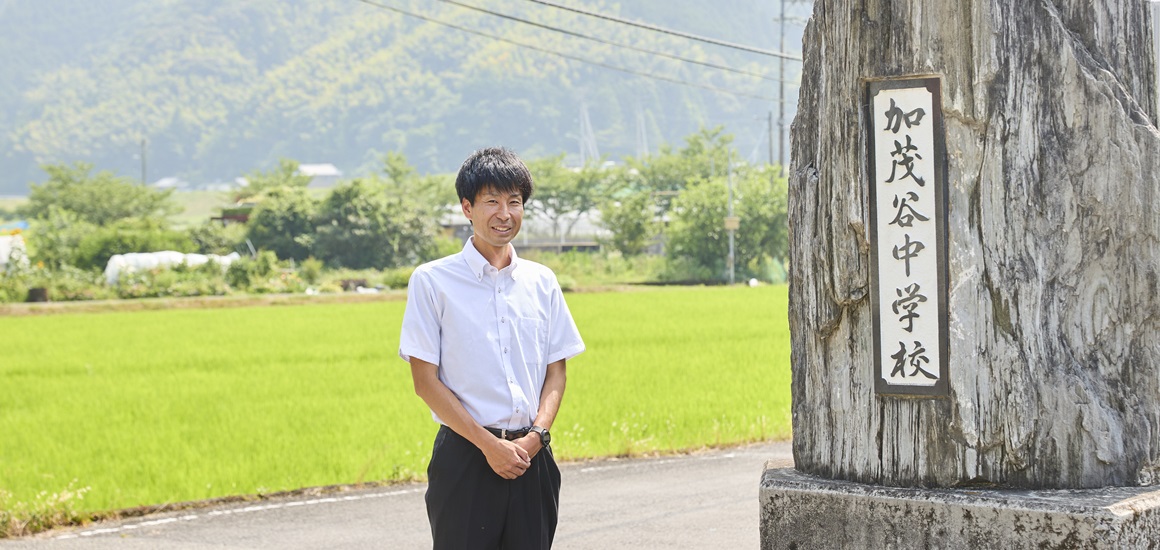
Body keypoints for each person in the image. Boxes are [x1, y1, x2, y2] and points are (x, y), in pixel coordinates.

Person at [399, 146, 585, 550]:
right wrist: (489, 446)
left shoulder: (542, 281)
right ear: (467, 208)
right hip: (466, 458)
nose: (505, 213)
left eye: (514, 202)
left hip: (531, 458)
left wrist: (536, 436)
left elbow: (557, 371)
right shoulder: (433, 282)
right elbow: (424, 382)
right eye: (492, 202)